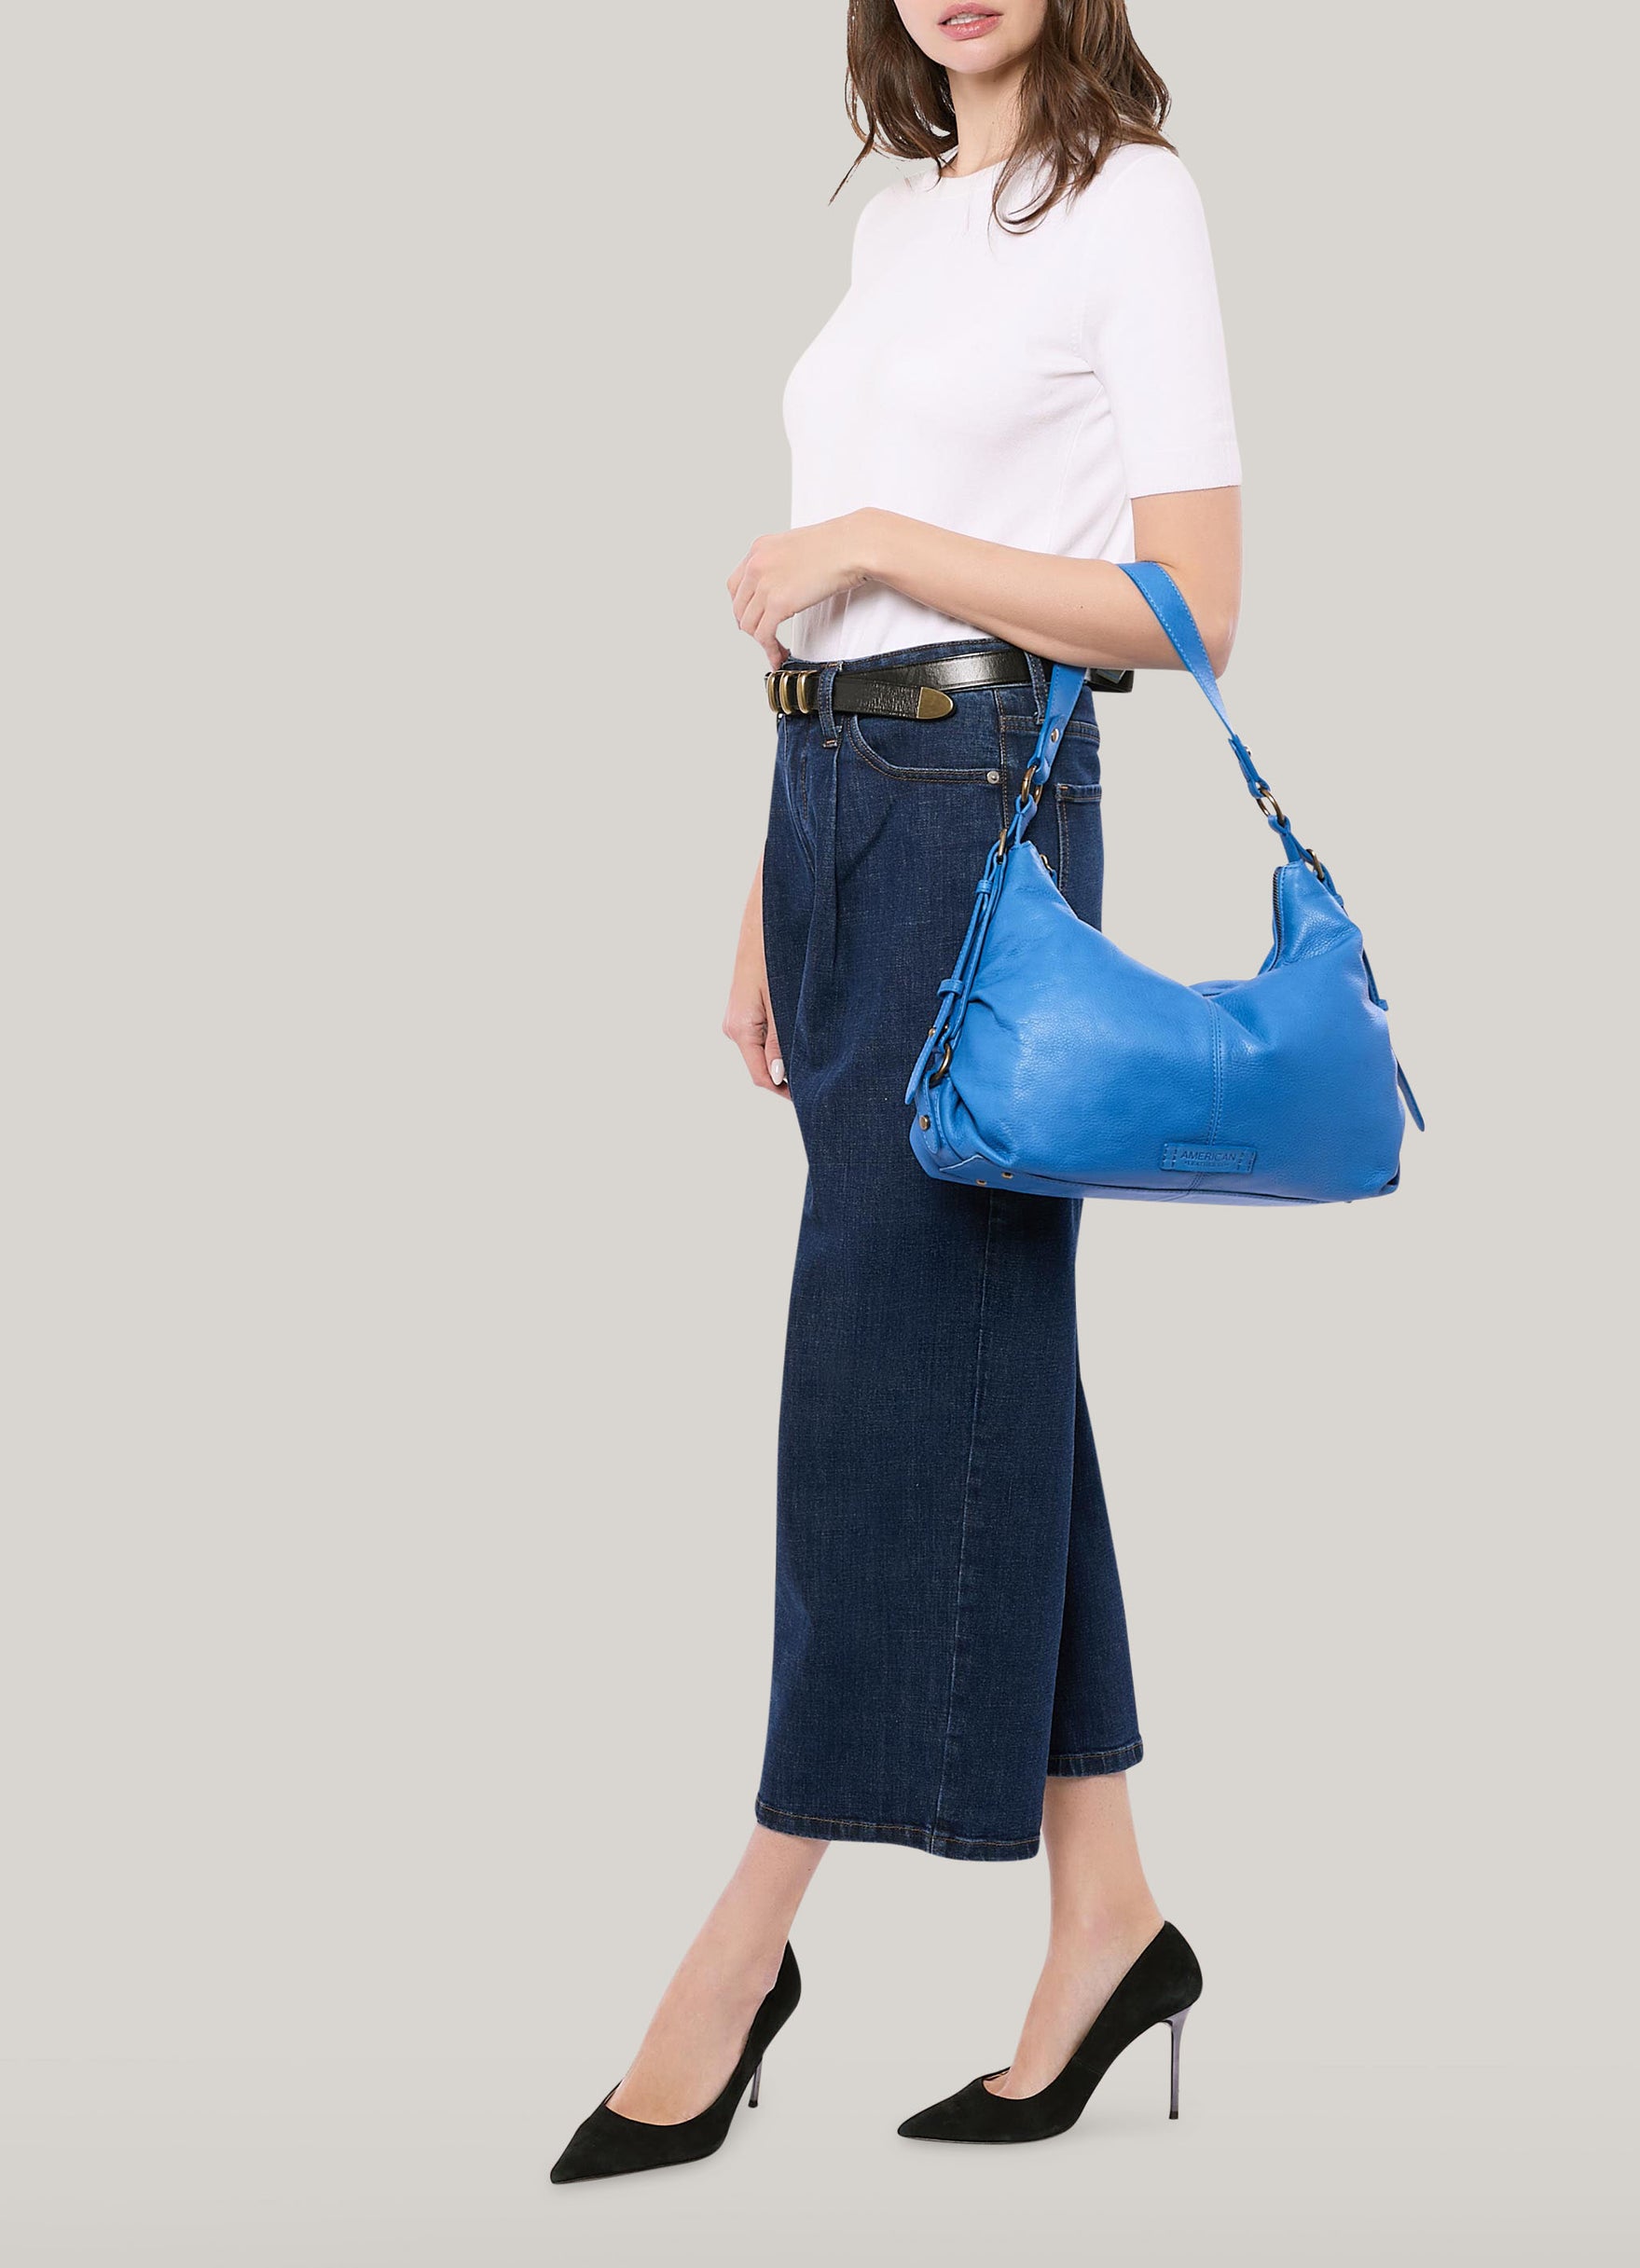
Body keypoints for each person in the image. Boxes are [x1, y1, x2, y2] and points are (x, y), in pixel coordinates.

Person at [552, 0, 1242, 2180]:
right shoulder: (894, 233)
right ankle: (1107, 1905)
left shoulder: (1135, 203)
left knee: (874, 1358)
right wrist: (764, 891)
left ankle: (745, 1933)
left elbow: (1190, 603)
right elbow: (820, 614)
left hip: (984, 801)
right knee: (976, 1332)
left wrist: (874, 542)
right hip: (836, 800)